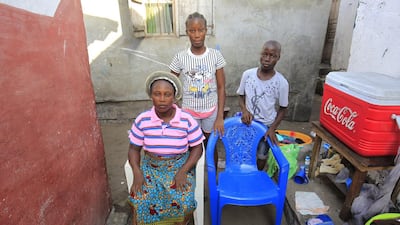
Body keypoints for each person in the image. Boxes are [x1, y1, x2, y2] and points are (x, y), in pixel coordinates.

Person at [127, 71, 205, 225]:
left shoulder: (186, 120)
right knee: (140, 198)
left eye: (167, 94)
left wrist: (183, 171)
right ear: (151, 95)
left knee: (184, 201)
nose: (162, 99)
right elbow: (134, 149)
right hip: (151, 167)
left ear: (174, 97)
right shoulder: (143, 120)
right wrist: (137, 172)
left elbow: (197, 148)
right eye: (157, 94)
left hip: (179, 165)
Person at [169, 11, 226, 167]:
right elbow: (170, 84)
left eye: (200, 30)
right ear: (187, 32)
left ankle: (212, 179)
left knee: (210, 144)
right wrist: (177, 109)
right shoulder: (180, 57)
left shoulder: (215, 56)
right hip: (189, 112)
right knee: (192, 146)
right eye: (192, 31)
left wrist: (220, 116)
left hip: (211, 111)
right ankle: (192, 177)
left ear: (206, 30)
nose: (196, 34)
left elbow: (221, 87)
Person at [236, 40, 289, 170]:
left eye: (272, 56)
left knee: (261, 155)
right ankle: (244, 175)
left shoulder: (281, 83)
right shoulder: (248, 75)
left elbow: (283, 108)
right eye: (265, 54)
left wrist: (272, 128)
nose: (267, 59)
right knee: (243, 152)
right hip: (247, 123)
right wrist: (244, 111)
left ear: (278, 58)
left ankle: (257, 176)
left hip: (266, 127)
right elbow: (240, 95)